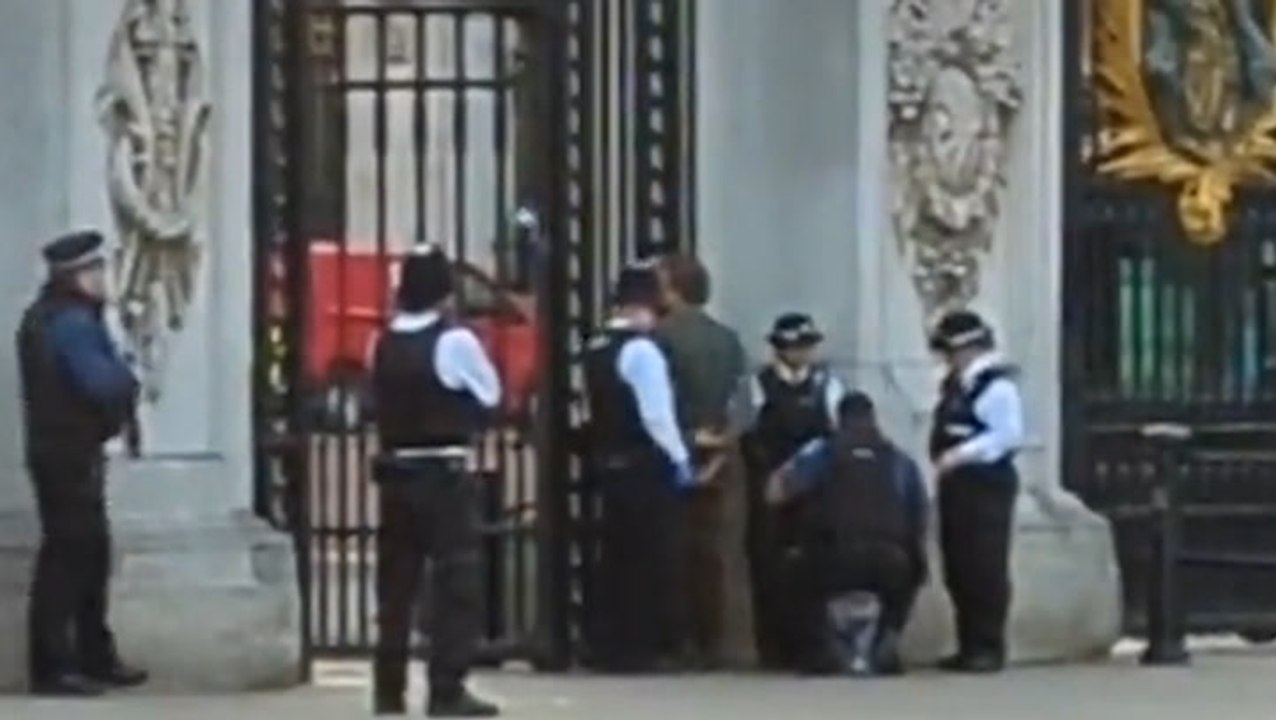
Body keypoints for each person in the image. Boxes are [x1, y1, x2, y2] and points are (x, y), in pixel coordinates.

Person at [369, 244, 500, 717]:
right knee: (454, 582)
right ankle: (446, 688)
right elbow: (490, 393)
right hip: (442, 474)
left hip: (395, 474)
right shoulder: (454, 341)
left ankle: (388, 690)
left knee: (395, 587)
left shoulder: (382, 341)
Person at [17, 230, 148, 697]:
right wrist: (127, 376)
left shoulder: (60, 316)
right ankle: (57, 663)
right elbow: (102, 382)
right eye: (95, 270)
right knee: (70, 557)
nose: (102, 278)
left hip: (66, 451)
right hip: (67, 454)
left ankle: (91, 654)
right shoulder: (69, 323)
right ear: (75, 276)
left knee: (88, 553)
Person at [583, 261, 697, 673]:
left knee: (615, 556)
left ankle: (607, 643)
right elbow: (656, 415)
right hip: (644, 465)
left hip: (608, 461)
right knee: (649, 558)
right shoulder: (642, 350)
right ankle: (644, 644)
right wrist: (681, 458)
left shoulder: (596, 347)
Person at [765, 392, 928, 676]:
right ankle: (886, 638)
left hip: (835, 558)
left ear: (837, 420)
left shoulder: (824, 451)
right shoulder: (899, 458)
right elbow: (921, 511)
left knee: (792, 574)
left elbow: (775, 494)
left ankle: (822, 649)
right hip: (890, 562)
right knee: (910, 575)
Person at [653, 253, 754, 670]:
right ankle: (720, 641)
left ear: (672, 289)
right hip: (722, 452)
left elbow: (659, 401)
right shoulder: (727, 339)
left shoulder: (660, 338)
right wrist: (724, 441)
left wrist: (686, 439)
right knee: (718, 553)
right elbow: (745, 402)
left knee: (671, 551)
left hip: (676, 448)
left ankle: (678, 641)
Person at [738, 312, 846, 670]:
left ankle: (809, 645)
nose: (802, 354)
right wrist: (773, 473)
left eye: (806, 347)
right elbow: (748, 435)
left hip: (813, 488)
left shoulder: (827, 385)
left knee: (811, 565)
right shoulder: (760, 384)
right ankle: (772, 647)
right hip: (770, 486)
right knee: (768, 564)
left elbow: (835, 437)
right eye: (795, 347)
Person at [927, 309, 1024, 674]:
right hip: (957, 485)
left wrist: (960, 454)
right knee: (959, 565)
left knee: (985, 565)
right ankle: (968, 644)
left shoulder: (997, 386)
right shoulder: (956, 385)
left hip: (986, 484)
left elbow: (1008, 435)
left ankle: (988, 645)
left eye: (949, 352)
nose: (947, 360)